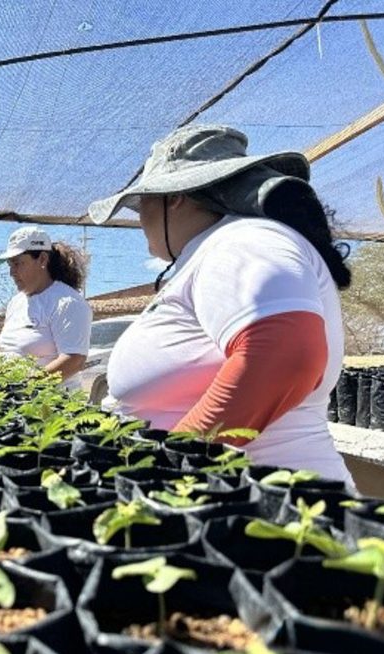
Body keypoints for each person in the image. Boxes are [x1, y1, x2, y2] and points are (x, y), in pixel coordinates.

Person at [88, 123, 353, 484]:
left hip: (262, 501)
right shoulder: (220, 247)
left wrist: (176, 465)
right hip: (234, 496)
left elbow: (283, 355)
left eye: (142, 204)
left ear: (175, 197)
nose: (139, 220)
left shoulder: (242, 242)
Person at [0, 226, 92, 390]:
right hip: (12, 400)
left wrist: (26, 387)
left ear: (42, 259)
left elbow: (74, 360)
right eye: (10, 265)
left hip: (54, 402)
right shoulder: (15, 303)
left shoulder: (67, 302)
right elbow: (6, 348)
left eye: (17, 263)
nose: (12, 272)